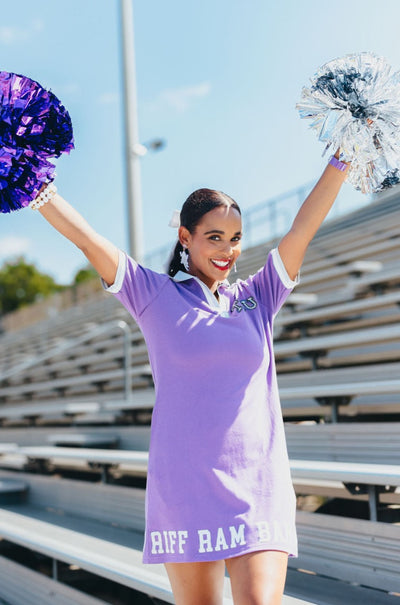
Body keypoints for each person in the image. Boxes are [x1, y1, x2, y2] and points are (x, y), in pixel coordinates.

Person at [33, 152, 348, 605]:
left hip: (259, 484)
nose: (227, 250)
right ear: (186, 237)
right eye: (215, 237)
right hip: (186, 488)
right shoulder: (153, 295)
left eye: (236, 238)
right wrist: (37, 190)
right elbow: (88, 241)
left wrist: (342, 162)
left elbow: (302, 229)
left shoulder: (257, 296)